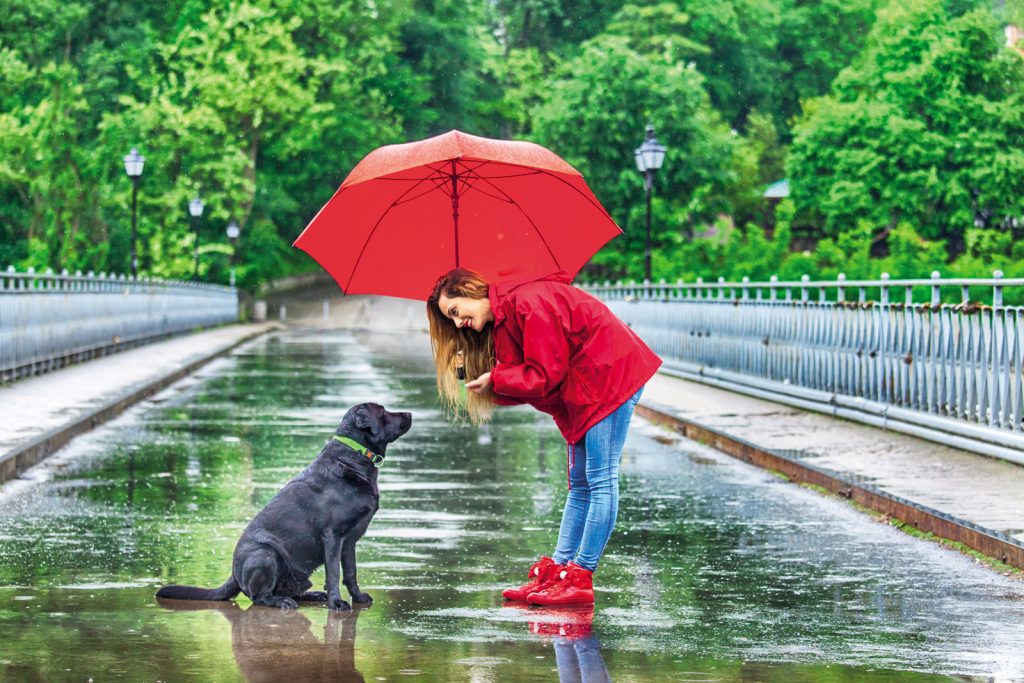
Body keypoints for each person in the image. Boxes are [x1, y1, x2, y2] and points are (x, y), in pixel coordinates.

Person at [426, 268, 661, 605]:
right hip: (585, 387)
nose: (457, 322)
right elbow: (532, 386)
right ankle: (559, 571)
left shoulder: (529, 303)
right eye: (451, 319)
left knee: (600, 478)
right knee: (579, 484)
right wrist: (489, 383)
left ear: (469, 291)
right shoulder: (505, 321)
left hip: (609, 375)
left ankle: (580, 577)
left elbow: (544, 376)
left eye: (455, 311)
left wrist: (498, 377)